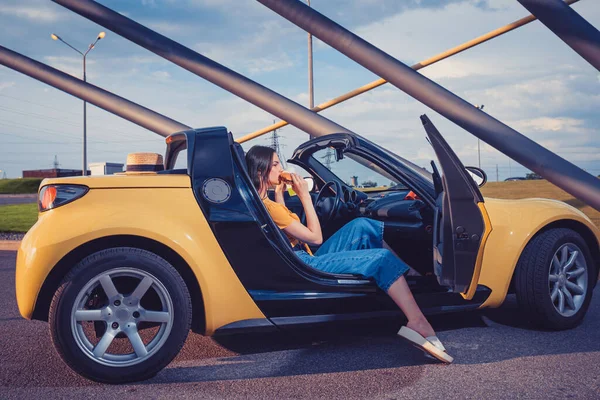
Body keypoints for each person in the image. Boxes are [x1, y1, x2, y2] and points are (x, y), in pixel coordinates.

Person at [245, 145, 453, 363]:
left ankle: (403, 276)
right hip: (304, 261)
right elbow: (316, 238)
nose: (281, 168)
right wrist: (305, 196)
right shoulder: (270, 208)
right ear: (261, 171)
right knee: (381, 259)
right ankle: (417, 321)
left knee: (362, 225)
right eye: (276, 164)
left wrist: (280, 194)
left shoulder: (265, 203)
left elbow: (286, 227)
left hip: (301, 255)